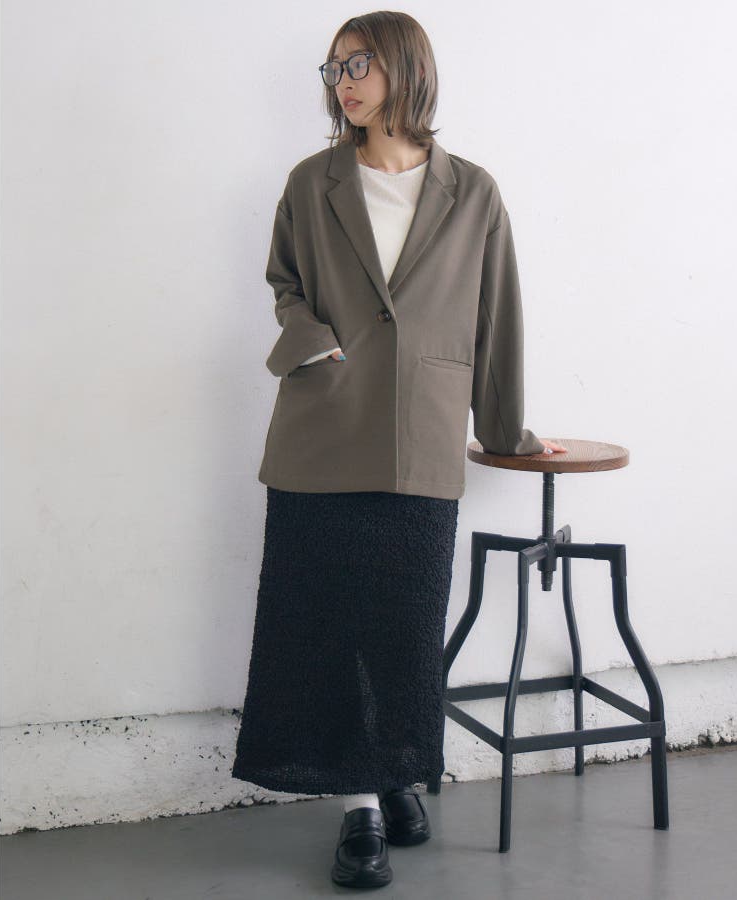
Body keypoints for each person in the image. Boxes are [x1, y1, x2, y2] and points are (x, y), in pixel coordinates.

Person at [231, 11, 567, 889]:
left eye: (360, 65)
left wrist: (507, 431)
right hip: (320, 436)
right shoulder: (311, 183)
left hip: (422, 437)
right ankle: (362, 810)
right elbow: (284, 282)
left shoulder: (473, 192)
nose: (343, 83)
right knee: (330, 630)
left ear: (406, 70)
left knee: (404, 631)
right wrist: (311, 341)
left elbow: (496, 318)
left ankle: (394, 772)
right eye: (334, 68)